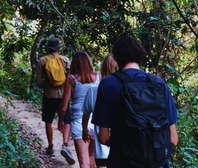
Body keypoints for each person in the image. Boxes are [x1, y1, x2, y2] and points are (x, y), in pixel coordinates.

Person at [92, 35, 179, 168]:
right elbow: (173, 139)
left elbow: (103, 138)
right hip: (156, 163)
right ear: (140, 55)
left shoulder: (107, 84)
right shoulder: (158, 84)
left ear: (116, 58)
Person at [35, 37, 76, 164]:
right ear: (58, 49)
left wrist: (45, 85)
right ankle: (65, 145)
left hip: (49, 95)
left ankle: (51, 146)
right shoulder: (65, 60)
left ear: (48, 48)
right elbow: (70, 77)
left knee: (48, 120)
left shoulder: (42, 61)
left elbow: (39, 81)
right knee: (67, 120)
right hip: (63, 95)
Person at [58, 50, 99, 168]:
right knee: (92, 157)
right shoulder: (98, 77)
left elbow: (64, 106)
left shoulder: (71, 79)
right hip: (96, 121)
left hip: (79, 122)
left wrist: (61, 120)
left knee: (83, 161)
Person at [81, 53, 118, 168]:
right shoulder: (126, 89)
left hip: (102, 149)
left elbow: (86, 115)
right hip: (122, 149)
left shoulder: (93, 90)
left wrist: (85, 130)